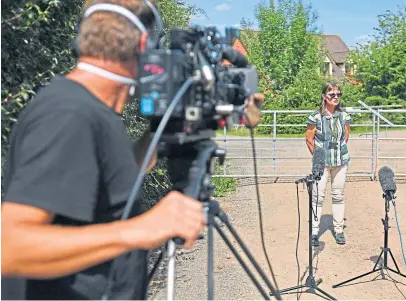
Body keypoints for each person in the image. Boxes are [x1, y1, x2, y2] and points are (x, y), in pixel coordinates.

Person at [1, 0, 264, 300]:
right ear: (144, 44)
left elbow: (114, 186)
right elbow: (11, 246)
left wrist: (164, 131)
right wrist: (141, 229)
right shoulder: (70, 114)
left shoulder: (92, 111)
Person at [305, 82, 352, 246]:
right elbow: (309, 139)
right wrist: (318, 157)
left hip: (340, 161)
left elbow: (346, 135)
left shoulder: (344, 116)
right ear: (324, 97)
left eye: (339, 94)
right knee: (318, 196)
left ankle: (339, 230)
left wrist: (339, 150)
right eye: (332, 95)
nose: (336, 97)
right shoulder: (315, 117)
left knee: (338, 195)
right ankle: (314, 232)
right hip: (322, 163)